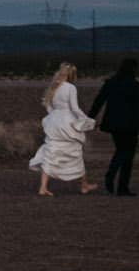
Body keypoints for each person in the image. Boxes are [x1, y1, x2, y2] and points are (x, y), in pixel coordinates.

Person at [28, 61, 97, 196]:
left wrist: (54, 117)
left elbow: (48, 106)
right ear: (72, 75)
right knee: (75, 152)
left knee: (51, 151)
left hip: (54, 121)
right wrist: (86, 119)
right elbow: (75, 108)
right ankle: (84, 185)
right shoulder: (70, 88)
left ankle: (43, 187)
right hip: (67, 122)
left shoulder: (54, 87)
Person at [89, 57, 139, 196]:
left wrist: (90, 117)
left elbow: (99, 101)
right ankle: (121, 185)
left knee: (121, 150)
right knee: (127, 153)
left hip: (113, 124)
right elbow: (137, 108)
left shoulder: (111, 83)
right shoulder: (136, 85)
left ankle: (114, 178)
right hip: (130, 124)